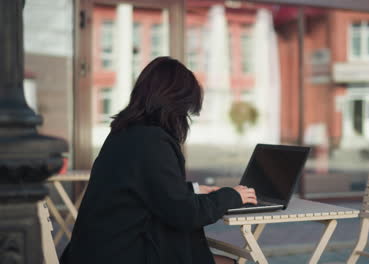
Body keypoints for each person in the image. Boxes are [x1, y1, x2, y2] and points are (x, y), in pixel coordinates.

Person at [60, 57, 257, 264]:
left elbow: (143, 192)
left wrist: (194, 191)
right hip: (123, 253)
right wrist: (232, 196)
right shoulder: (152, 141)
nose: (184, 118)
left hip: (97, 252)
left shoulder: (124, 133)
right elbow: (184, 214)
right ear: (174, 104)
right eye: (185, 110)